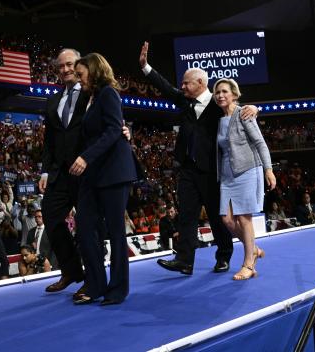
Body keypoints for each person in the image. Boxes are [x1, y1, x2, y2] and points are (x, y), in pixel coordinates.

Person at [139, 42, 258, 275]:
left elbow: (239, 109)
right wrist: (145, 67)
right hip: (187, 169)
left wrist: (256, 108)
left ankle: (223, 257)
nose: (181, 86)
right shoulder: (183, 100)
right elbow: (164, 87)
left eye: (186, 83)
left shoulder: (218, 103)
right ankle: (185, 261)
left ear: (201, 84)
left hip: (212, 170)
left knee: (216, 217)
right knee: (186, 216)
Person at [39, 48, 130, 297]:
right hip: (59, 172)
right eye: (62, 67)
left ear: (83, 68)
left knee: (90, 228)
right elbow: (49, 140)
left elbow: (110, 125)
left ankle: (94, 280)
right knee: (51, 216)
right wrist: (45, 171)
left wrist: (124, 131)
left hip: (89, 171)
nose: (67, 70)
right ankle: (71, 270)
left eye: (72, 66)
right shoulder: (53, 101)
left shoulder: (95, 93)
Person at [69, 52, 139, 305]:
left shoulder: (108, 93)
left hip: (113, 172)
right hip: (93, 174)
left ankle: (118, 289)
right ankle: (96, 284)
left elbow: (112, 129)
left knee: (116, 233)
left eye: (81, 74)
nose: (78, 80)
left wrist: (86, 157)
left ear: (95, 70)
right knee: (85, 228)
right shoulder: (91, 98)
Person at [213, 78, 276, 280]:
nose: (220, 95)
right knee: (227, 219)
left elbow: (260, 142)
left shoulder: (244, 113)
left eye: (224, 91)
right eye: (217, 93)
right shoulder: (218, 118)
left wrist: (269, 169)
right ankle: (254, 248)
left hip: (248, 170)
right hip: (227, 175)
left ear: (234, 94)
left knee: (243, 218)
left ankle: (248, 264)